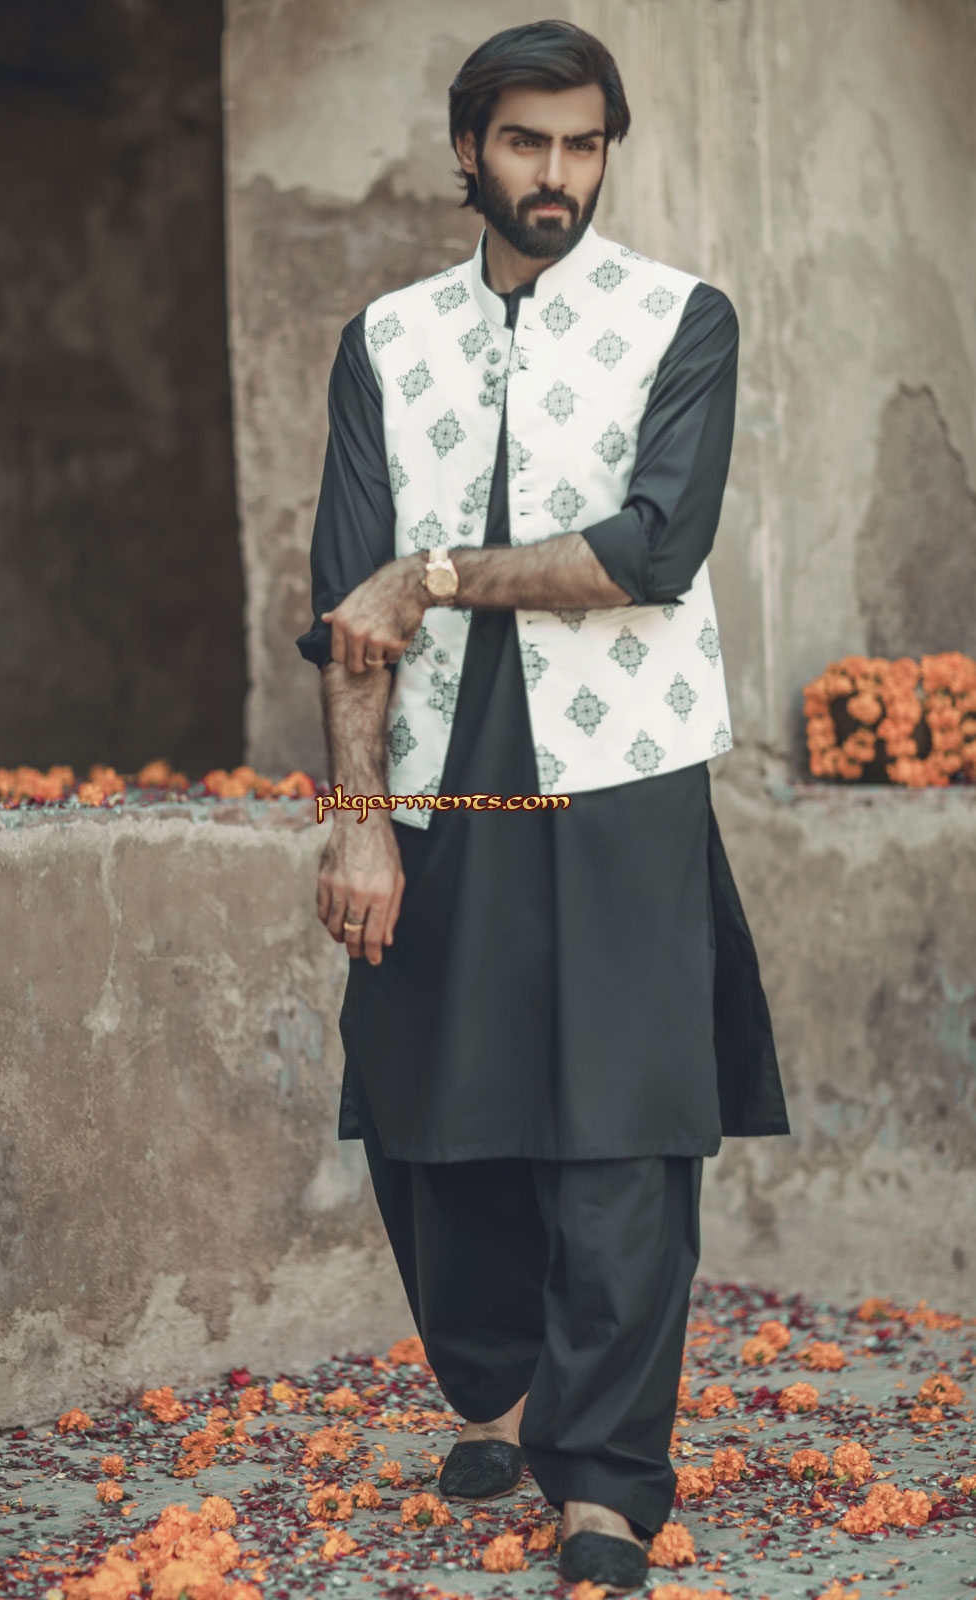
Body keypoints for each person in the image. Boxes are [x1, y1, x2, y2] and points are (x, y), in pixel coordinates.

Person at [295, 20, 790, 1593]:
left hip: (622, 768)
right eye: (525, 141)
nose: (556, 173)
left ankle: (604, 1484)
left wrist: (435, 573)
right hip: (439, 778)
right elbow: (347, 604)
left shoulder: (677, 321)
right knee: (428, 1115)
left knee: (623, 1130)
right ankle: (497, 1391)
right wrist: (356, 816)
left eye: (582, 144)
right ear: (469, 151)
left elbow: (650, 551)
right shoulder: (388, 342)